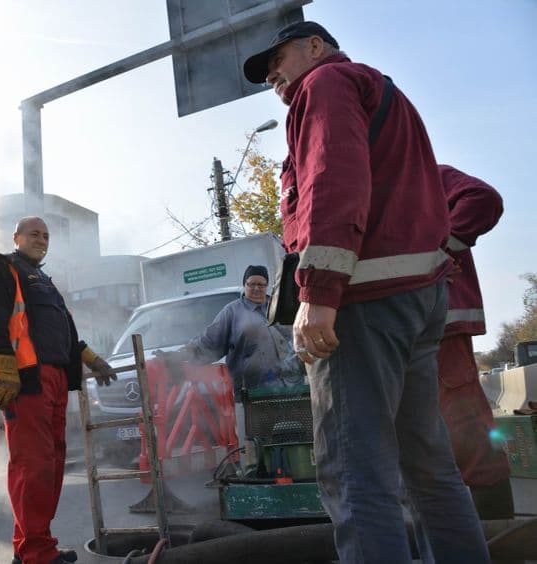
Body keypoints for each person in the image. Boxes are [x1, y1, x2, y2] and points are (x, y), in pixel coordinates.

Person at [243, 21, 489, 563]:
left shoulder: (325, 85)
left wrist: (319, 294)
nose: (273, 77)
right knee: (428, 469)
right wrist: (439, 254)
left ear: (314, 46)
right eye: (265, 77)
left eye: (276, 60)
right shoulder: (383, 91)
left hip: (362, 302)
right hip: (414, 303)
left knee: (355, 473)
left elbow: (334, 183)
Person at [0, 216, 117, 564]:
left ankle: (32, 547)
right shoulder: (1, 268)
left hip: (52, 380)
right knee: (32, 466)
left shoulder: (45, 282)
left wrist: (91, 359)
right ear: (16, 236)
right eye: (34, 234)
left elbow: (64, 330)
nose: (41, 239)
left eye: (46, 236)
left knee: (50, 467)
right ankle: (36, 553)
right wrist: (4, 369)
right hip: (24, 381)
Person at [438, 164, 511, 518]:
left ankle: (502, 547)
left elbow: (483, 199)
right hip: (393, 333)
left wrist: (437, 254)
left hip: (440, 332)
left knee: (469, 437)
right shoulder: (359, 189)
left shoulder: (424, 175)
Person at [173, 265, 301, 442]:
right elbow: (210, 342)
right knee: (258, 445)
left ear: (268, 286)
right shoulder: (232, 312)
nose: (256, 288)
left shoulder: (278, 308)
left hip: (290, 390)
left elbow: (297, 338)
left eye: (261, 285)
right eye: (251, 284)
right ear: (244, 285)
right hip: (253, 394)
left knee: (294, 439)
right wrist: (182, 354)